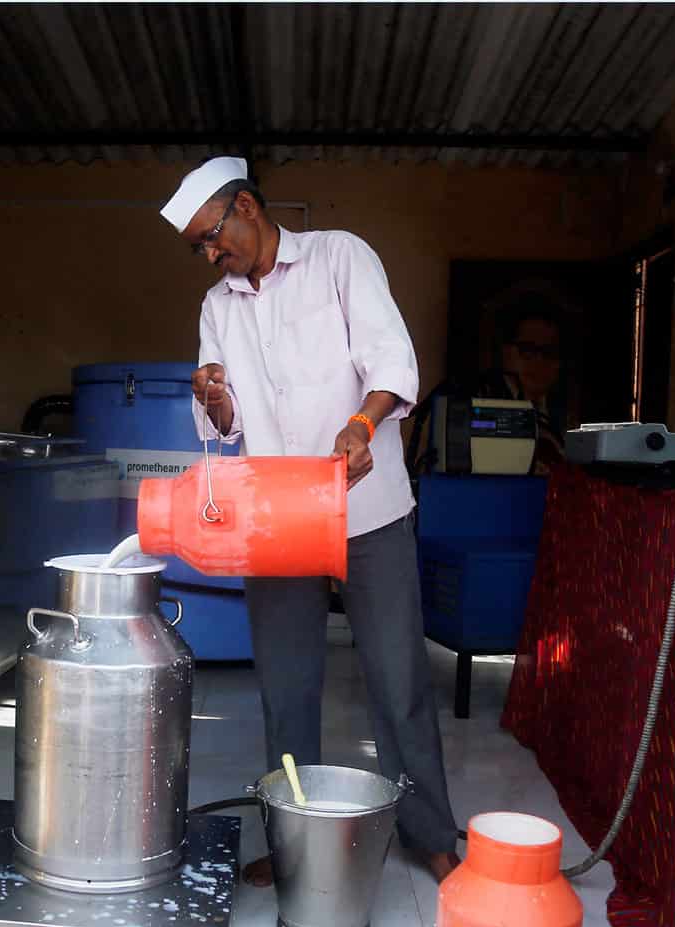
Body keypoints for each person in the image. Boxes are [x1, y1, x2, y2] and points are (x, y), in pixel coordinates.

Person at [160, 157, 459, 884]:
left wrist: (362, 423)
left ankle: (430, 835)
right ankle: (292, 841)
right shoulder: (218, 307)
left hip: (369, 505)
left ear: (249, 208)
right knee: (287, 688)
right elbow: (224, 428)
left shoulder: (339, 257)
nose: (210, 254)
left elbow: (392, 359)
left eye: (213, 236)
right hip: (279, 516)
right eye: (198, 246)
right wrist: (215, 398)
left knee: (397, 680)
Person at [477, 296, 568, 474]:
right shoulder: (481, 407)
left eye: (549, 352)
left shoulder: (562, 418)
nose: (539, 362)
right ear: (504, 352)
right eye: (528, 350)